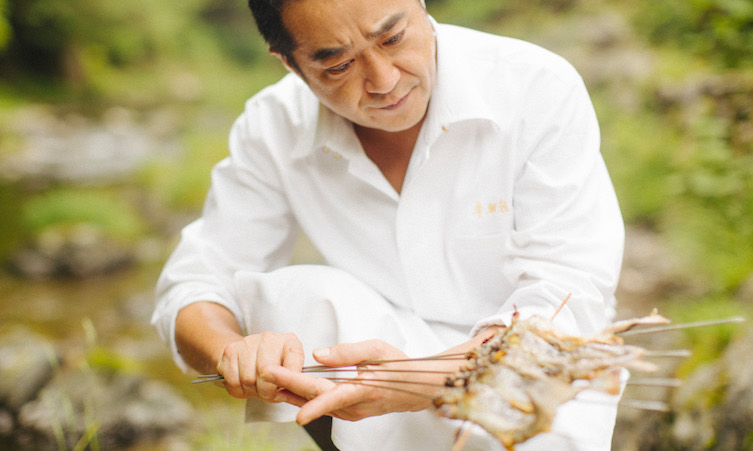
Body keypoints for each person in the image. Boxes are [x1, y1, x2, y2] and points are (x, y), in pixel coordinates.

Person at [151, 0, 625, 449]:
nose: (383, 80)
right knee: (299, 297)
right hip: (376, 393)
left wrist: (427, 378)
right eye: (338, 66)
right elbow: (196, 283)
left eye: (393, 38)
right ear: (290, 64)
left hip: (530, 379)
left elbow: (569, 293)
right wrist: (231, 353)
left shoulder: (535, 86)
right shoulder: (273, 125)